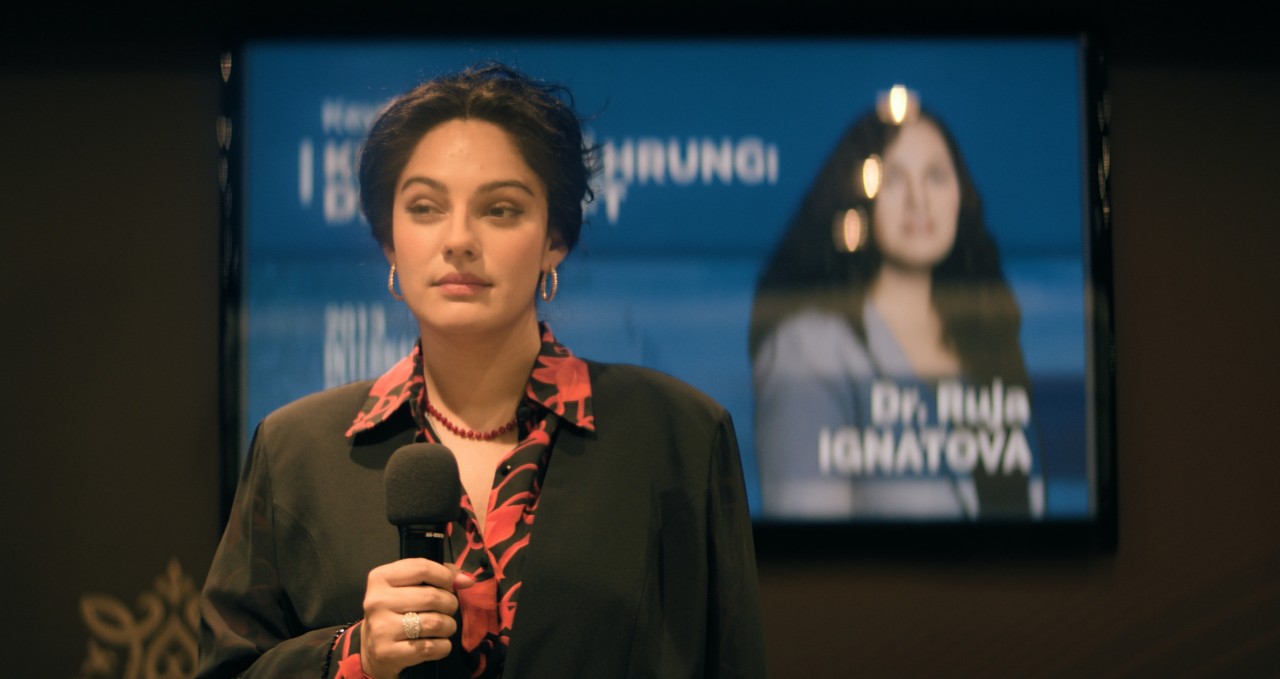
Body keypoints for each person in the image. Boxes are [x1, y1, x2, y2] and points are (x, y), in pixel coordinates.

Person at [198, 63, 765, 679]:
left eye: (499, 209)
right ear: (389, 240)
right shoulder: (294, 452)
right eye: (424, 207)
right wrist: (353, 655)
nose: (459, 239)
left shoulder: (680, 436)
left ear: (555, 239)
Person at [749, 94, 1041, 521]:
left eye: (936, 176)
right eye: (894, 180)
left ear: (960, 194)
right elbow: (810, 540)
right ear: (857, 196)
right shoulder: (806, 349)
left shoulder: (987, 341)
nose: (919, 200)